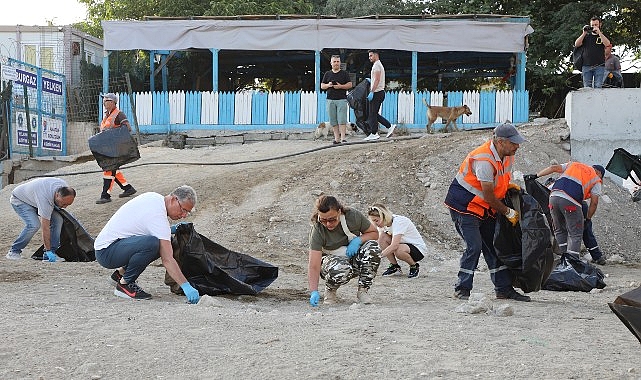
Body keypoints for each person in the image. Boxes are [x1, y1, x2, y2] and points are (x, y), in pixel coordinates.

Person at [444, 122, 531, 302]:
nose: (517, 146)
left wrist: (508, 187)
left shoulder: (507, 155)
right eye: (513, 143)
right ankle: (462, 289)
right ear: (500, 142)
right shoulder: (483, 160)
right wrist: (508, 212)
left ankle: (503, 289)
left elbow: (501, 179)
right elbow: (489, 196)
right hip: (465, 206)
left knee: (494, 246)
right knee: (474, 246)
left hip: (484, 207)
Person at [94, 185, 200, 303]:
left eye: (187, 212)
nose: (184, 215)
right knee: (154, 243)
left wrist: (169, 230)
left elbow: (142, 225)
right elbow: (167, 259)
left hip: (113, 246)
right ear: (173, 199)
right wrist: (186, 286)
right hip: (107, 252)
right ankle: (125, 285)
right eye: (183, 209)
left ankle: (120, 274)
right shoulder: (157, 215)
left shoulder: (154, 198)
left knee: (163, 240)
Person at [524, 163, 605, 265]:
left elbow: (553, 167)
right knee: (575, 233)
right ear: (599, 173)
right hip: (572, 201)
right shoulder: (596, 178)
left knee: (559, 231)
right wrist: (588, 219)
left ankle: (564, 259)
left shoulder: (574, 165)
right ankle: (573, 263)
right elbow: (594, 202)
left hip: (553, 198)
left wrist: (535, 175)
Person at [307, 195, 381, 306]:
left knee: (373, 247)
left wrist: (359, 240)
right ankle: (330, 290)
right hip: (331, 265)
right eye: (323, 220)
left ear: (339, 212)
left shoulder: (353, 216)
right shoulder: (318, 229)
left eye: (332, 220)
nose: (328, 224)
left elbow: (374, 233)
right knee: (341, 269)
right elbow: (314, 264)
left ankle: (363, 291)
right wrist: (314, 291)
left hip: (352, 258)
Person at [7, 177, 76, 262]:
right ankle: (14, 251)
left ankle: (52, 253)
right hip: (20, 200)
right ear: (57, 195)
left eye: (68, 204)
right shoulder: (45, 200)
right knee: (34, 225)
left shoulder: (64, 187)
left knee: (58, 220)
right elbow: (45, 228)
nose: (64, 207)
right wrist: (48, 250)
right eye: (63, 203)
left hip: (35, 199)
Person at [96, 92, 137, 204]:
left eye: (106, 100)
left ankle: (105, 195)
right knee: (113, 169)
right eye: (104, 100)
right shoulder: (106, 116)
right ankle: (127, 188)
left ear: (113, 102)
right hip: (108, 148)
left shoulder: (119, 114)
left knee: (109, 169)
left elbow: (127, 128)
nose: (104, 102)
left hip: (116, 148)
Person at [367, 203, 426, 278]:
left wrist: (377, 257)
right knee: (382, 238)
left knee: (398, 249)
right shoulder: (383, 225)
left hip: (418, 250)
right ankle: (395, 266)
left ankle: (414, 266)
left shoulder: (399, 222)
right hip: (404, 246)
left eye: (376, 220)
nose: (375, 224)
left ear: (384, 216)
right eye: (373, 221)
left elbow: (394, 246)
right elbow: (380, 242)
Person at [321, 55, 353, 144]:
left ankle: (343, 138)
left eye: (338, 62)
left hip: (342, 99)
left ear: (340, 63)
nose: (336, 63)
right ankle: (336, 139)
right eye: (334, 62)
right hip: (330, 100)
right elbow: (322, 86)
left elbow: (350, 85)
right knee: (333, 120)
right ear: (331, 63)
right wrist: (329, 85)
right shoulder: (327, 74)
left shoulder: (344, 73)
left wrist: (340, 86)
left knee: (342, 119)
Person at [364, 49, 395, 141]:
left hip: (377, 92)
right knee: (373, 114)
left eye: (371, 55)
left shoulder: (377, 66)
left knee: (372, 114)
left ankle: (374, 133)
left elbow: (377, 80)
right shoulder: (377, 65)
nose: (369, 58)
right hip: (379, 92)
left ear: (376, 55)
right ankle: (389, 126)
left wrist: (372, 91)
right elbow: (376, 79)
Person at [574, 16, 610, 88]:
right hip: (586, 66)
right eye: (592, 25)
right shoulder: (586, 37)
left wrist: (599, 32)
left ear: (600, 25)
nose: (594, 27)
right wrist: (584, 33)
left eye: (596, 25)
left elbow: (607, 44)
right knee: (587, 87)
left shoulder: (602, 36)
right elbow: (576, 44)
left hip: (599, 65)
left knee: (598, 86)